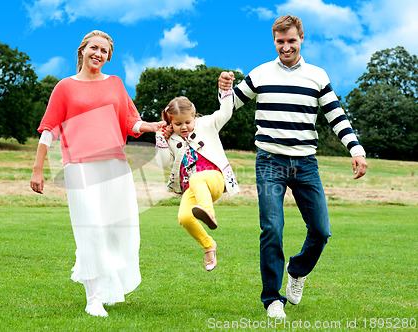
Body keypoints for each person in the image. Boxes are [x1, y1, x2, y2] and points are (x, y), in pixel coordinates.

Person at [218, 15, 368, 318]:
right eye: (280, 41)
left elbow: (336, 116)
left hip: (305, 163)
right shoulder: (260, 73)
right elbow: (229, 107)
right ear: (274, 41)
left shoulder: (317, 76)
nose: (286, 47)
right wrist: (223, 91)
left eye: (291, 41)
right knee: (272, 228)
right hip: (269, 161)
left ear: (301, 39)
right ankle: (273, 299)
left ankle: (297, 271)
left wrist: (356, 149)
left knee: (322, 230)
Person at [30, 30, 163, 318]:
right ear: (82, 50)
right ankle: (94, 298)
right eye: (94, 48)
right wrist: (38, 169)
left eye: (104, 51)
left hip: (115, 167)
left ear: (108, 57)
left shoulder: (115, 84)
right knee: (89, 229)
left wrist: (150, 127)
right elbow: (49, 130)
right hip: (79, 168)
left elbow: (131, 122)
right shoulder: (65, 87)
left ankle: (110, 287)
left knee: (116, 232)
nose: (98, 54)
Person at [155, 90, 239, 272]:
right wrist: (161, 138)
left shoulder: (207, 124)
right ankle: (209, 246)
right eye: (177, 124)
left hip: (214, 180)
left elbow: (225, 112)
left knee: (198, 178)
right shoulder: (171, 139)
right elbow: (163, 163)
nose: (183, 127)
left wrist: (225, 90)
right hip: (191, 188)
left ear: (194, 116)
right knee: (184, 218)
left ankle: (208, 213)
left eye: (187, 122)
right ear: (170, 122)